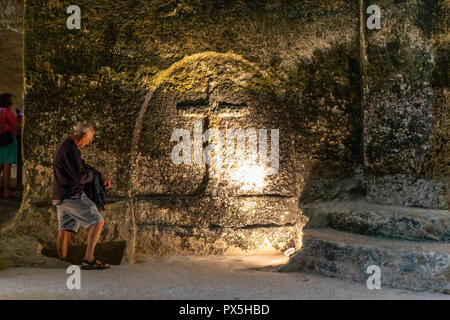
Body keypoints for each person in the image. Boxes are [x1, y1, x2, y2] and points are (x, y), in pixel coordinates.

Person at [52, 123, 111, 269]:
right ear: (84, 135)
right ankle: (88, 259)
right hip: (71, 195)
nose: (88, 143)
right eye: (89, 140)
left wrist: (98, 174)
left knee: (65, 229)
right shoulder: (70, 150)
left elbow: (83, 166)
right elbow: (80, 176)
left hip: (60, 195)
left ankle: (62, 262)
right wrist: (93, 176)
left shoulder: (68, 147)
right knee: (97, 221)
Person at [0, 93, 21, 199]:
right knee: (7, 165)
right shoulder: (6, 111)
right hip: (8, 140)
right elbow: (15, 124)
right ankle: (6, 191)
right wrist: (20, 117)